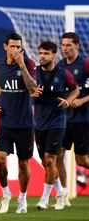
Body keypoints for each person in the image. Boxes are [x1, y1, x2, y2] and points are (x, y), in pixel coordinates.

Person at [0, 33, 37, 214]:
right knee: (0, 160)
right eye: (13, 47)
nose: (16, 50)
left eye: (19, 47)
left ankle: (23, 198)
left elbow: (32, 88)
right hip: (5, 123)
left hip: (25, 123)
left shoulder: (29, 64)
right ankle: (6, 193)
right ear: (5, 47)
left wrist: (22, 65)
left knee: (24, 163)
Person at [32, 41, 79, 210]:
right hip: (39, 123)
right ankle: (61, 193)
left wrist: (68, 101)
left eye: (46, 53)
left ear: (54, 55)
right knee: (45, 163)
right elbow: (26, 92)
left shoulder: (63, 74)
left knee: (50, 160)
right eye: (40, 53)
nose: (42, 57)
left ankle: (44, 199)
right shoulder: (33, 73)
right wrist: (31, 92)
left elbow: (75, 90)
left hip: (57, 123)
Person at [56, 32, 89, 203]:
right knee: (58, 155)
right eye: (62, 44)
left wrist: (82, 100)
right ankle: (63, 195)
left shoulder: (85, 64)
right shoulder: (60, 66)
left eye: (68, 45)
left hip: (82, 120)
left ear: (76, 45)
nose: (64, 48)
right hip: (63, 120)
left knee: (82, 160)